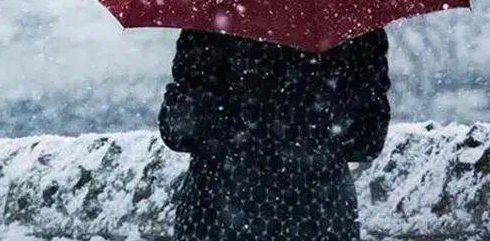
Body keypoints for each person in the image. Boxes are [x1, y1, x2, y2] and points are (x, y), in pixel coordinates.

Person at [158, 28, 391, 241]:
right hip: (319, 217)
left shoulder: (210, 22)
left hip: (216, 216)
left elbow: (178, 132)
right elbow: (366, 141)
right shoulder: (350, 24)